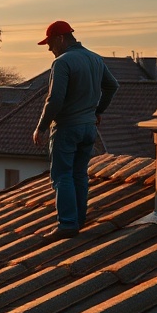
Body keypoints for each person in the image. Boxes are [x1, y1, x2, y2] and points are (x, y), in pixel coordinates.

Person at [31, 20, 118, 243]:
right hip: (88, 128)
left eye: (50, 43)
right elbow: (112, 86)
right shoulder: (95, 58)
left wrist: (41, 126)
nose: (49, 49)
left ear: (60, 39)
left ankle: (67, 223)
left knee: (62, 175)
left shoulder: (62, 62)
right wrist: (98, 110)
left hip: (67, 127)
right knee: (79, 174)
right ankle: (78, 220)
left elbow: (55, 99)